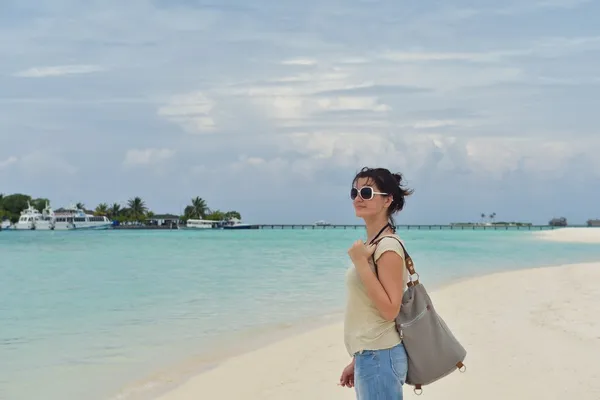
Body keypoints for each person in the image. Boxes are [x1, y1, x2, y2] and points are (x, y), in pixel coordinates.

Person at [339, 166, 414, 399]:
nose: (358, 198)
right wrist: (357, 358)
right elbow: (368, 308)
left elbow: (390, 309)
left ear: (387, 200)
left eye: (367, 193)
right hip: (372, 356)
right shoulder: (374, 243)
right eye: (355, 193)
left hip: (379, 357)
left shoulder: (388, 246)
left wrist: (361, 263)